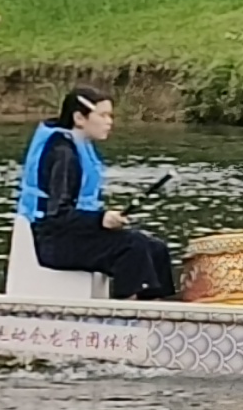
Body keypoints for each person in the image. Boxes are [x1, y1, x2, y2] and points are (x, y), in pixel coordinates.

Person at [19, 88, 176, 299]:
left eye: (110, 115)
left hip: (74, 233)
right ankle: (127, 309)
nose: (109, 122)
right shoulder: (62, 153)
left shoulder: (79, 145)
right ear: (79, 118)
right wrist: (100, 220)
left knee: (156, 248)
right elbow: (57, 214)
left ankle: (157, 307)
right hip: (53, 241)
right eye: (102, 115)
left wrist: (103, 220)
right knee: (132, 246)